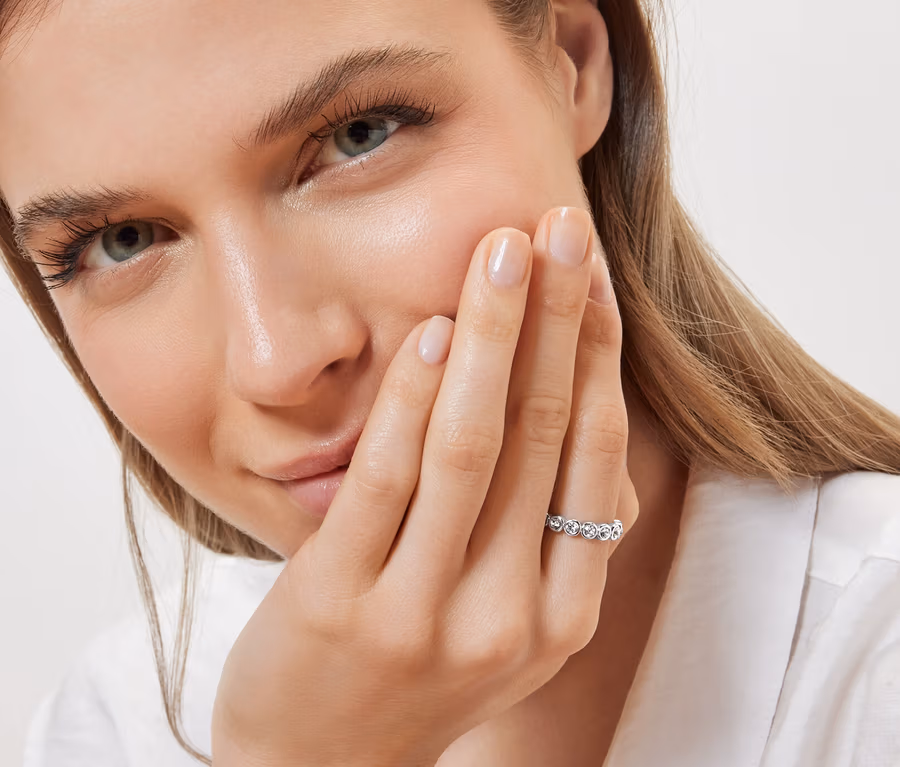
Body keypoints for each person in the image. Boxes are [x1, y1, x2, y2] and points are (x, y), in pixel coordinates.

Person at [2, 0, 899, 765]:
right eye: (120, 241)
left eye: (358, 137)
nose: (275, 360)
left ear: (574, 63)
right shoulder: (115, 724)